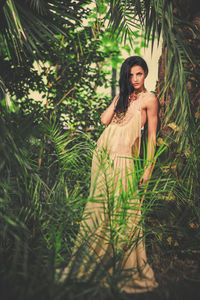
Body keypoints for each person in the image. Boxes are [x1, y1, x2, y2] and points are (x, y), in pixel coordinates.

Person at [61, 56, 158, 293]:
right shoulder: (122, 98)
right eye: (130, 75)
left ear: (145, 74)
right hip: (103, 158)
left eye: (139, 74)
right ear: (126, 77)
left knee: (124, 210)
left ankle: (123, 266)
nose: (135, 79)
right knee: (99, 209)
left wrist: (148, 168)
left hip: (125, 160)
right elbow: (104, 120)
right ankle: (94, 264)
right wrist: (119, 98)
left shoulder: (149, 99)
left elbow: (151, 136)